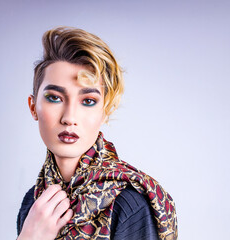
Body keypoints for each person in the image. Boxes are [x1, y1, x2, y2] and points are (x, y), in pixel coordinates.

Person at [17, 26, 178, 240]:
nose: (69, 117)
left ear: (104, 112)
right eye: (55, 97)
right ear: (33, 107)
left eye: (88, 101)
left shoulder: (128, 205)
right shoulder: (35, 203)